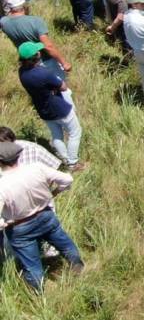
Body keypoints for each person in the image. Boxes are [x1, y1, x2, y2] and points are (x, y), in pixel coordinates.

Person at [0, 141, 83, 292]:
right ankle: (78, 268)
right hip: (46, 216)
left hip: (20, 227)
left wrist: (5, 223)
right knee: (65, 245)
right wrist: (56, 192)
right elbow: (67, 179)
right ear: (18, 156)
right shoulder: (36, 168)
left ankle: (38, 296)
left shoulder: (2, 185)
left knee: (32, 266)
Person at [16, 43, 83, 170]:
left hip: (43, 110)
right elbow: (63, 87)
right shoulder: (44, 73)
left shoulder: (22, 72)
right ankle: (73, 162)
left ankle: (66, 160)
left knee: (57, 135)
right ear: (37, 56)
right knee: (75, 132)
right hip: (59, 108)